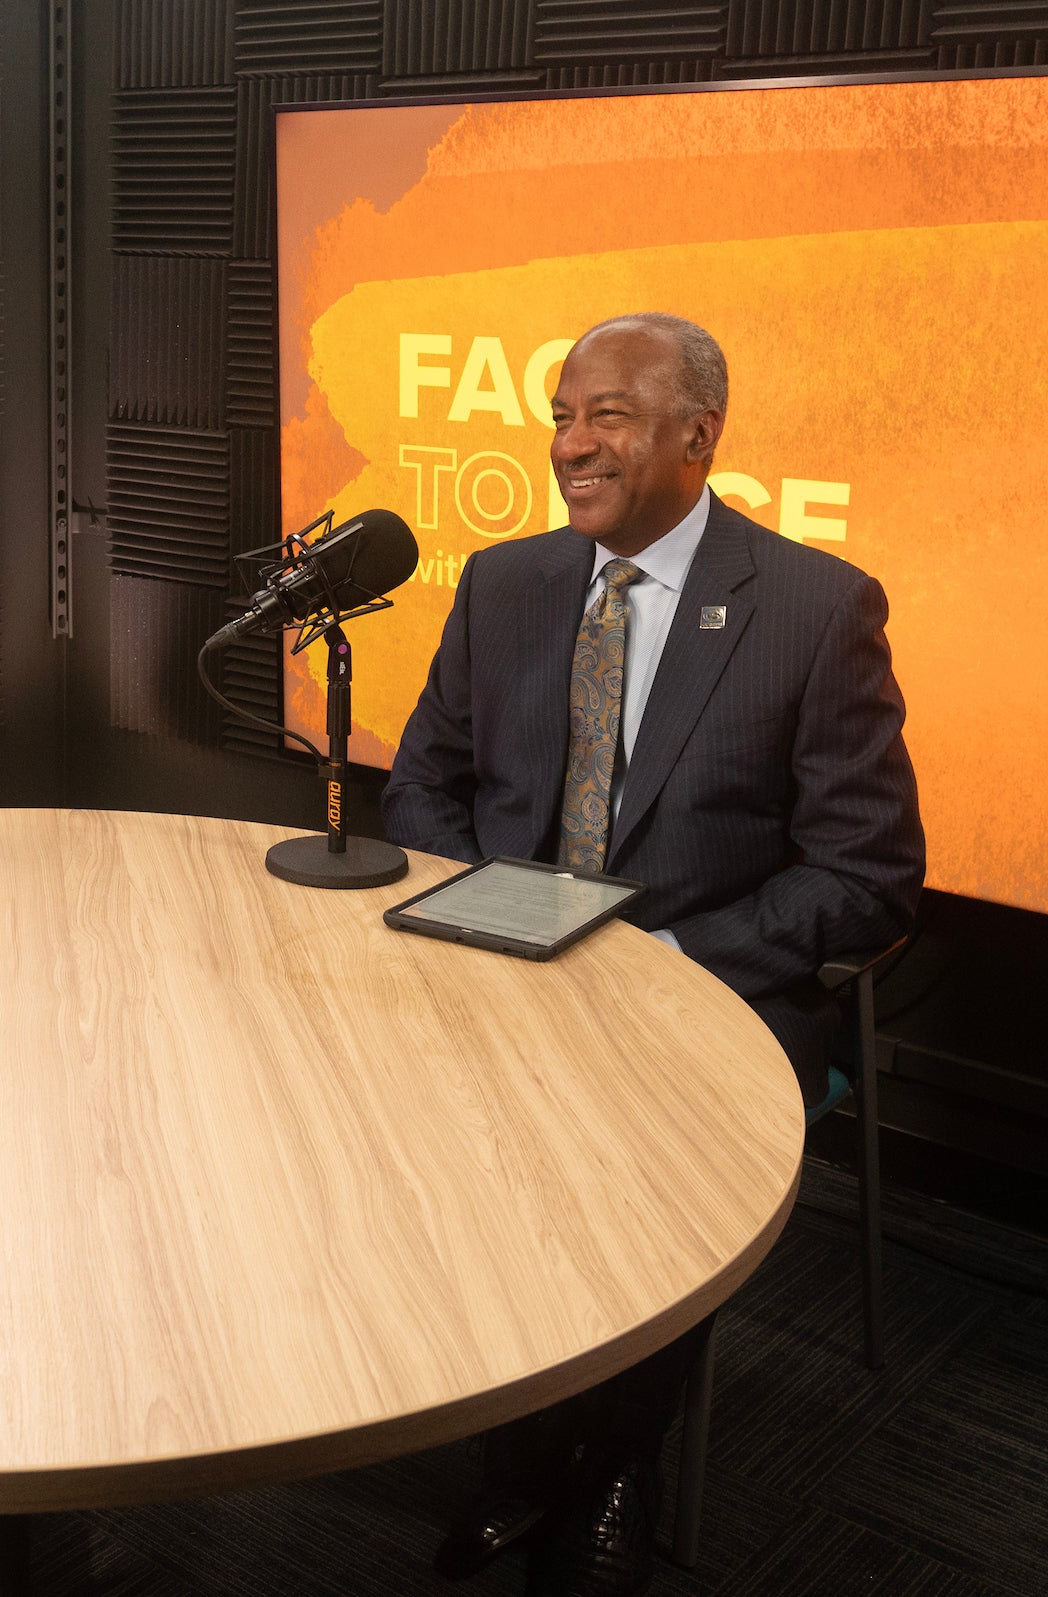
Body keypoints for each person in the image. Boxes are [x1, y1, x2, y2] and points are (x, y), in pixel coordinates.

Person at [383, 313, 924, 1595]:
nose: (571, 444)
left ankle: (611, 1459)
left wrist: (663, 956)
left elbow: (867, 874)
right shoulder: (504, 584)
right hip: (503, 968)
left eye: (608, 416)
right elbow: (422, 789)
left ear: (699, 434)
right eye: (562, 416)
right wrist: (487, 914)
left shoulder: (815, 608)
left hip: (708, 986)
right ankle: (512, 1435)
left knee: (639, 1167)